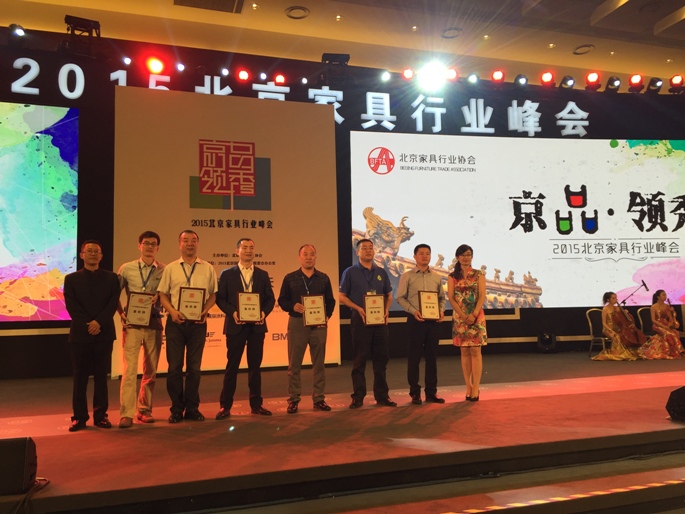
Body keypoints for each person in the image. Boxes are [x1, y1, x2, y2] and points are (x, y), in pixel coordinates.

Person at [158, 230, 217, 423]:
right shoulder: (171, 268)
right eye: (186, 240)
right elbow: (162, 295)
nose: (190, 244)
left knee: (194, 368)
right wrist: (172, 312)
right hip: (175, 323)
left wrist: (205, 310)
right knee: (174, 367)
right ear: (179, 244)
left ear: (197, 244)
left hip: (198, 324)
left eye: (193, 241)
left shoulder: (207, 268)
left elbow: (213, 294)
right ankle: (176, 409)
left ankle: (192, 408)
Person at [215, 238, 275, 419]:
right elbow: (220, 299)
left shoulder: (262, 274)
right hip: (235, 326)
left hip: (257, 327)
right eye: (244, 247)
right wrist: (233, 313)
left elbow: (270, 299)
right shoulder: (227, 274)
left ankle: (256, 404)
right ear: (237, 251)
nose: (248, 250)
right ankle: (225, 406)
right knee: (232, 366)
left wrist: (263, 313)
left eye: (251, 248)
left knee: (255, 367)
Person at [64, 240, 121, 432]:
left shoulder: (112, 278)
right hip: (80, 334)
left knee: (101, 376)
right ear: (81, 255)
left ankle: (100, 415)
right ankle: (79, 417)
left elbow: (112, 303)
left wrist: (98, 322)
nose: (93, 254)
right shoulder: (71, 279)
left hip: (104, 333)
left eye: (97, 251)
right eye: (89, 251)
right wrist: (89, 324)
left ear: (102, 256)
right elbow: (72, 306)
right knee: (80, 377)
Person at [277, 244, 336, 413]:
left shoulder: (323, 278)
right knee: (294, 364)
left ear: (315, 258)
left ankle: (319, 398)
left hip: (319, 325)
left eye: (312, 254)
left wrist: (327, 316)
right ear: (299, 258)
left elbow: (330, 301)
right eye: (305, 254)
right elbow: (282, 300)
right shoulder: (290, 278)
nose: (309, 257)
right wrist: (292, 306)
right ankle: (294, 399)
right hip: (297, 323)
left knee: (319, 364)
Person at [116, 230, 166, 428]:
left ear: (158, 248)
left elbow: (170, 294)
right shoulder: (126, 268)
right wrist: (121, 314)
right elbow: (113, 295)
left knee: (150, 371)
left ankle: (144, 410)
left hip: (154, 323)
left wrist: (160, 297)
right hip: (132, 325)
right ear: (139, 246)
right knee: (129, 371)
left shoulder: (164, 270)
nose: (149, 247)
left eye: (153, 244)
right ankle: (126, 413)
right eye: (146, 243)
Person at [339, 238, 396, 409]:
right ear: (357, 252)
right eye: (364, 248)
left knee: (381, 361)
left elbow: (389, 295)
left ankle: (382, 396)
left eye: (371, 248)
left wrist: (386, 309)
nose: (368, 250)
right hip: (360, 319)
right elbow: (342, 297)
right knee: (359, 360)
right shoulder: (350, 272)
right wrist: (358, 308)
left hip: (380, 321)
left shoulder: (381, 272)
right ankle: (358, 397)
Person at [396, 243, 446, 405]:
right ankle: (415, 393)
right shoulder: (407, 276)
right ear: (415, 256)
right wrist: (413, 311)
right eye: (421, 253)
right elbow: (400, 298)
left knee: (432, 358)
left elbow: (442, 298)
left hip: (433, 322)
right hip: (415, 320)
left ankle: (431, 392)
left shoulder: (437, 277)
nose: (425, 256)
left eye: (427, 253)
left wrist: (441, 311)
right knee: (414, 358)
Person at [447, 244, 487, 402]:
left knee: (476, 350)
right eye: (463, 255)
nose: (466, 257)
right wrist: (463, 315)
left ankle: (476, 386)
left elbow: (482, 295)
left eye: (468, 254)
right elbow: (451, 298)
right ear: (457, 257)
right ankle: (468, 386)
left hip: (476, 316)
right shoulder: (452, 276)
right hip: (460, 317)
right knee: (464, 351)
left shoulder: (479, 274)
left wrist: (474, 313)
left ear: (472, 257)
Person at [592, 292, 640, 361]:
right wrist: (611, 331)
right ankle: (617, 353)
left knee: (623, 336)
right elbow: (604, 323)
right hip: (608, 329)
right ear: (608, 300)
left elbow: (622, 319)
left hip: (617, 328)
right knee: (616, 337)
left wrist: (625, 312)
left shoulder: (617, 308)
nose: (616, 300)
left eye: (616, 298)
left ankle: (622, 352)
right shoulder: (605, 309)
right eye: (613, 298)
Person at [638, 290, 685, 360]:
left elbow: (670, 318)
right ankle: (668, 351)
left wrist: (672, 312)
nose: (665, 296)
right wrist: (663, 326)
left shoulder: (667, 306)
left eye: (665, 295)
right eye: (663, 295)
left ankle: (675, 351)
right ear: (658, 297)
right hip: (657, 325)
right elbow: (653, 320)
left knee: (676, 332)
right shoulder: (654, 307)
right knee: (668, 333)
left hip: (666, 324)